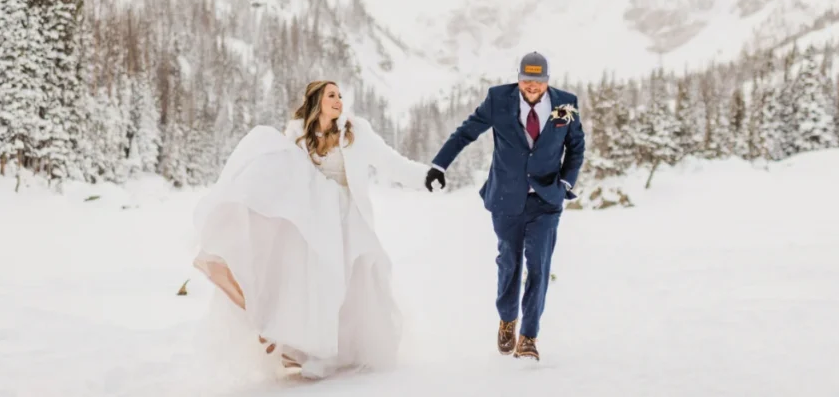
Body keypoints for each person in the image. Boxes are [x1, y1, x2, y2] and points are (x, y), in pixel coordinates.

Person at [192, 80, 429, 379]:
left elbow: (391, 162)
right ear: (317, 100)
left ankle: (339, 351)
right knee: (307, 284)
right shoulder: (297, 137)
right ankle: (300, 347)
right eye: (332, 95)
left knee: (351, 284)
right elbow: (281, 173)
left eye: (341, 96)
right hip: (312, 221)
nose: (339, 100)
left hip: (347, 219)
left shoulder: (355, 132)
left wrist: (425, 176)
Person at [424, 52, 585, 361]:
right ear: (519, 78)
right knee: (509, 262)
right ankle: (507, 319)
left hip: (546, 201)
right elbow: (466, 132)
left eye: (538, 81)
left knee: (539, 265)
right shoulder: (498, 99)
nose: (532, 87)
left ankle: (528, 337)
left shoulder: (566, 103)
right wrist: (439, 166)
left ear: (547, 81)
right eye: (527, 80)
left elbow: (576, 147)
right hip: (506, 199)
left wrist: (565, 183)